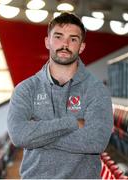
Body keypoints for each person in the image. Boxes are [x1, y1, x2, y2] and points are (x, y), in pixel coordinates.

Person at [7, 12, 113, 179]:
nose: (65, 44)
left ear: (82, 47)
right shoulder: (25, 89)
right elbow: (19, 135)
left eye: (73, 39)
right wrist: (72, 123)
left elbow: (96, 141)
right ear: (47, 41)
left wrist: (37, 135)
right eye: (58, 37)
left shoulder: (97, 90)